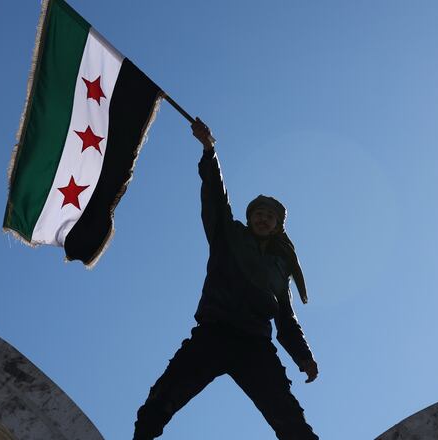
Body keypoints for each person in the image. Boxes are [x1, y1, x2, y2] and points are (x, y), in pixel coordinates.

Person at [132, 118, 320, 440]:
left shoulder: (280, 266)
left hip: (255, 345)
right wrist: (209, 151)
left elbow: (286, 318)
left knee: (290, 419)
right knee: (162, 399)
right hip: (213, 334)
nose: (262, 218)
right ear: (249, 218)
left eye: (269, 216)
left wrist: (303, 356)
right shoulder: (228, 235)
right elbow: (216, 199)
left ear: (277, 226)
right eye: (258, 213)